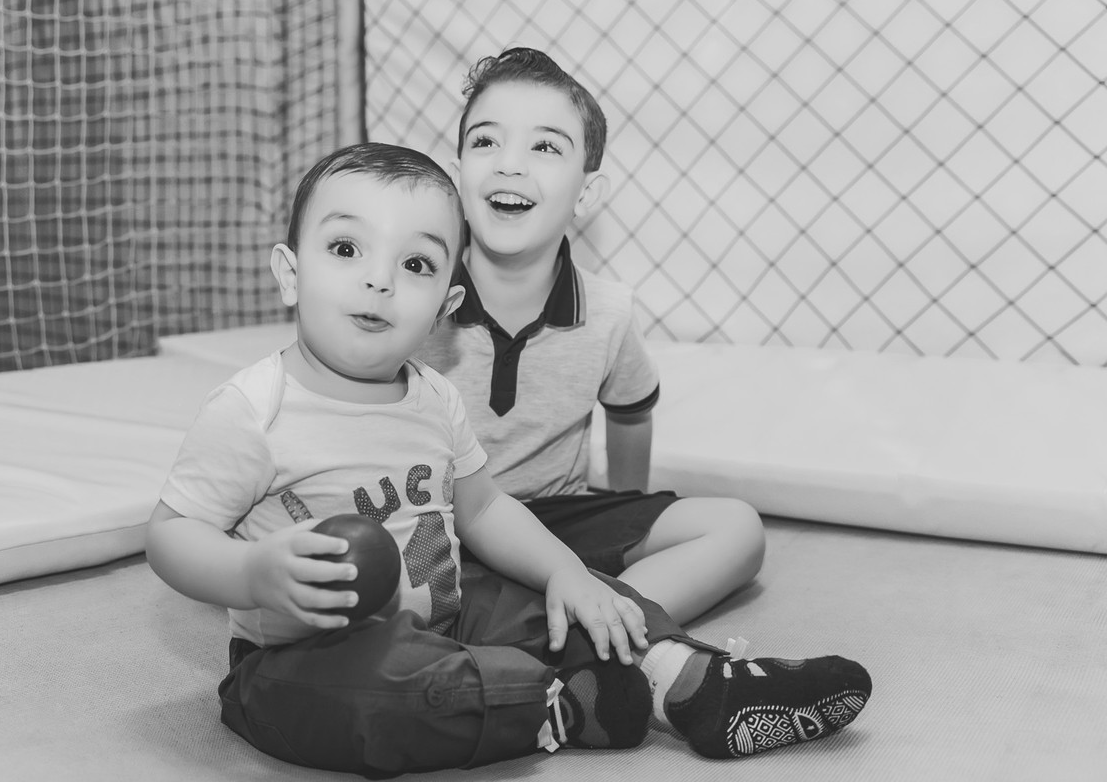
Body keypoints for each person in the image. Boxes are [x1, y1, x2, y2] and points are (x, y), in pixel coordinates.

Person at [145, 142, 871, 776]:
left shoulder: (433, 399)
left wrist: (567, 573)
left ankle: (695, 682)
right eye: (345, 249)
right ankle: (558, 703)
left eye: (416, 263)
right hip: (302, 658)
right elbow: (172, 534)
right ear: (289, 273)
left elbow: (486, 508)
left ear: (445, 307)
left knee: (567, 601)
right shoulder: (255, 409)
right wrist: (252, 572)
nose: (379, 279)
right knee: (376, 701)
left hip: (450, 614)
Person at [420, 47, 765, 625]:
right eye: (486, 141)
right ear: (457, 179)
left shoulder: (608, 312)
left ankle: (591, 622)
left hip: (559, 521)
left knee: (739, 528)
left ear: (586, 193)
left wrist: (628, 513)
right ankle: (566, 628)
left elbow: (631, 414)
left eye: (545, 147)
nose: (510, 164)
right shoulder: (415, 298)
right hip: (438, 524)